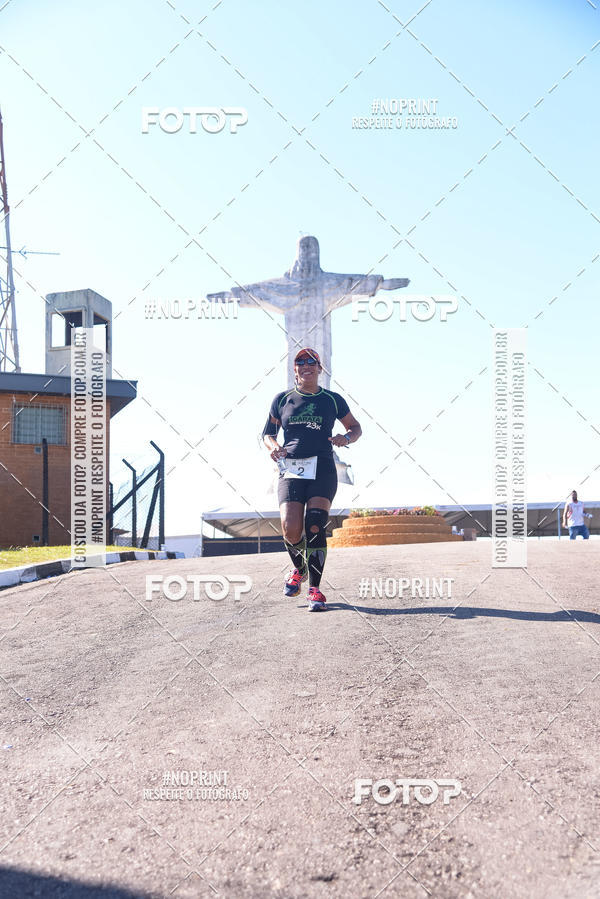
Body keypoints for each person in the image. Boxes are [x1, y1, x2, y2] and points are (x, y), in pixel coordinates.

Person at [262, 348, 362, 610]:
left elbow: (355, 427)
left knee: (315, 523)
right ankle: (300, 570)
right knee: (290, 527)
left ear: (320, 369)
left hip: (323, 468)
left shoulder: (332, 400)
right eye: (300, 362)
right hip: (291, 469)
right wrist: (272, 446)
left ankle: (315, 591)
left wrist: (346, 438)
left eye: (312, 362)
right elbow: (267, 434)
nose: (306, 365)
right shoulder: (282, 400)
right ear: (295, 370)